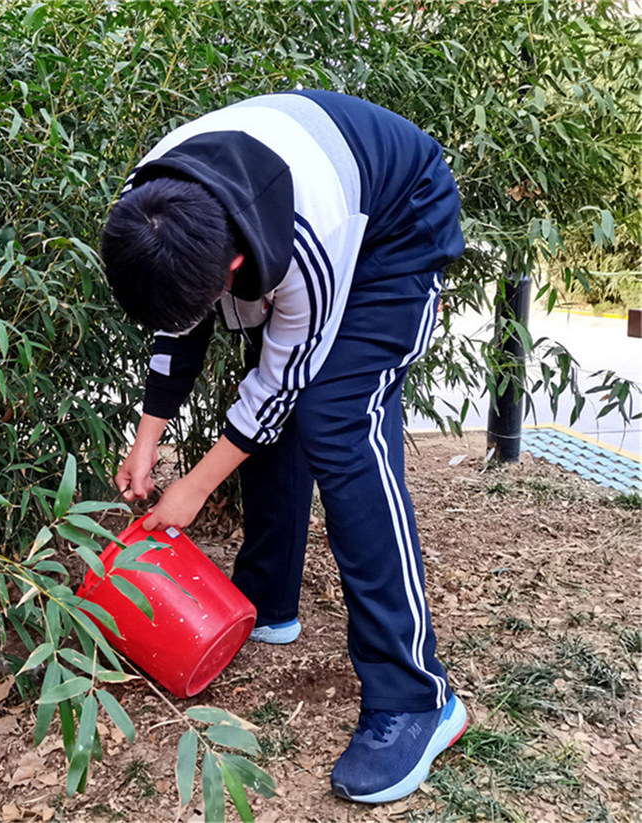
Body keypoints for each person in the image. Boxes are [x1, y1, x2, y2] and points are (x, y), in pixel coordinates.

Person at [99, 90, 467, 804]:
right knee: (279, 404)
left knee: (336, 420)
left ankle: (416, 697)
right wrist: (147, 440)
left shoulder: (307, 238)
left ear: (234, 264)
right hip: (301, 206)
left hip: (397, 225)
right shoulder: (152, 205)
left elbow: (282, 381)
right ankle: (266, 600)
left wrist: (196, 484)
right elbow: (177, 322)